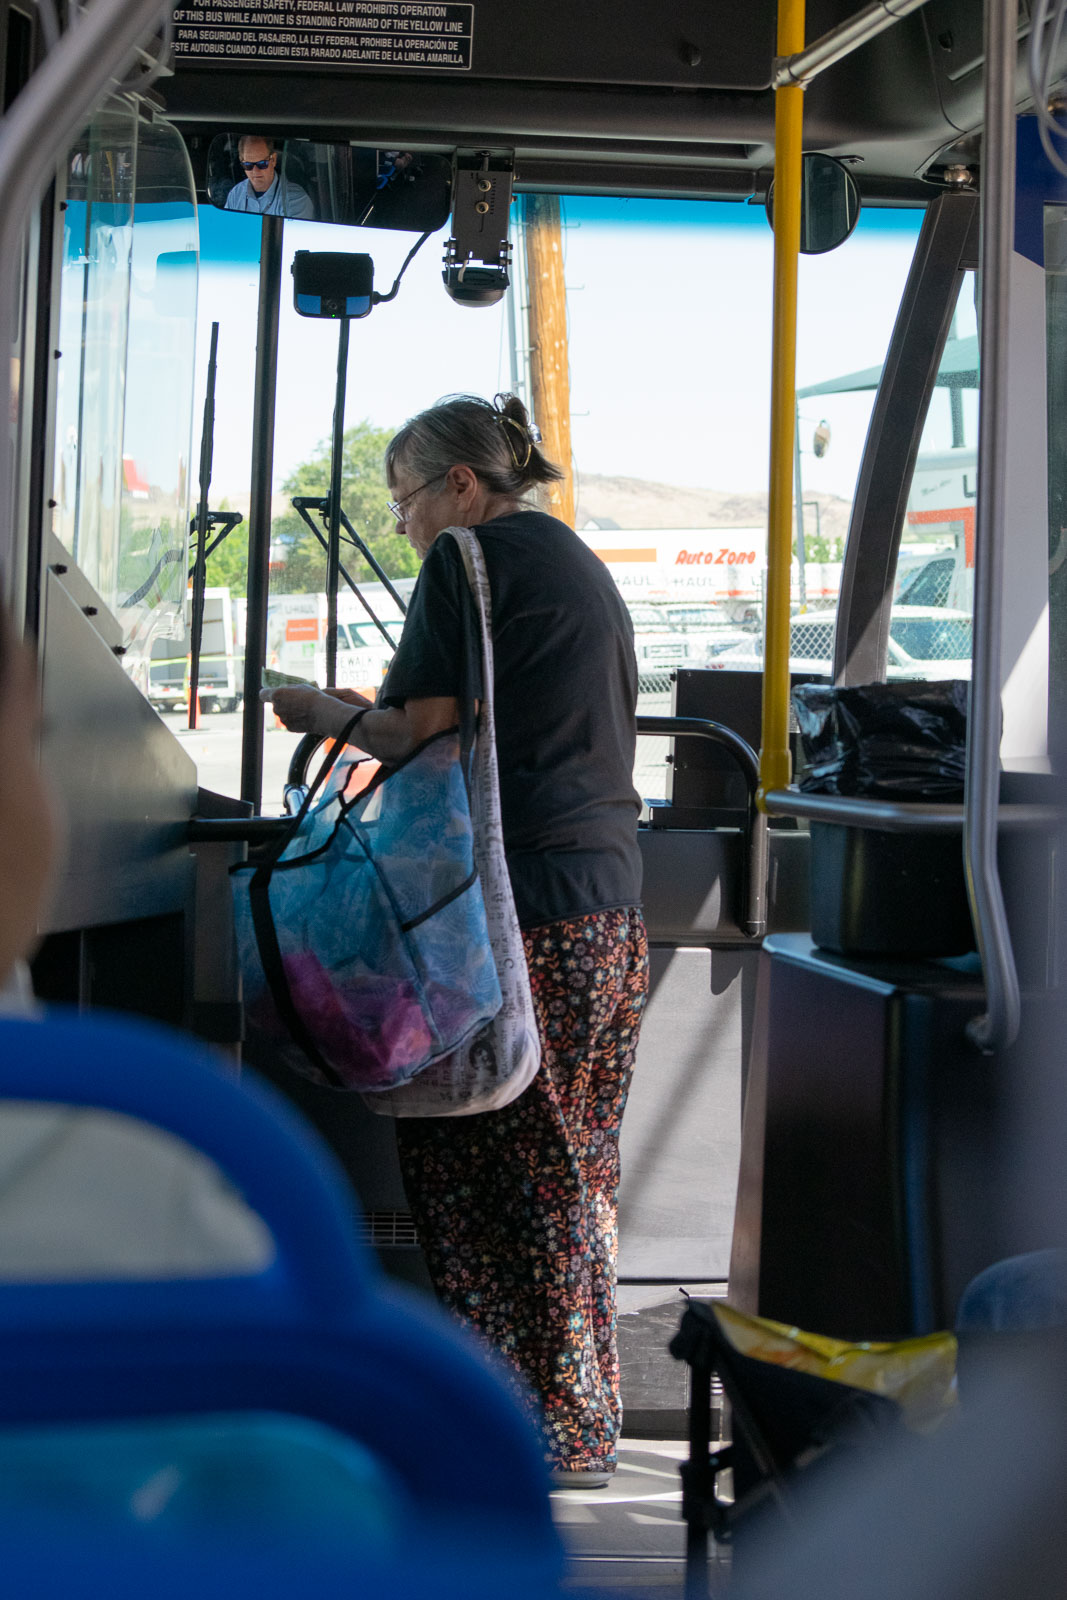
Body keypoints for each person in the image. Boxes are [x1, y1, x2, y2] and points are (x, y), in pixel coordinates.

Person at [270, 394, 649, 1488]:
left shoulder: (469, 561)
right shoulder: (570, 559)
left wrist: (314, 711)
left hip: (521, 902)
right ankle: (574, 1417)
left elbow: (409, 726)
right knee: (568, 1166)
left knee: (474, 1149)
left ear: (462, 488)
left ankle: (512, 1424)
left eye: (404, 502)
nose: (401, 528)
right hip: (606, 898)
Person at [223, 136, 315, 220]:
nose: (255, 171)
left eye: (262, 164)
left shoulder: (296, 200)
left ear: (273, 160)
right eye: (248, 165)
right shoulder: (235, 194)